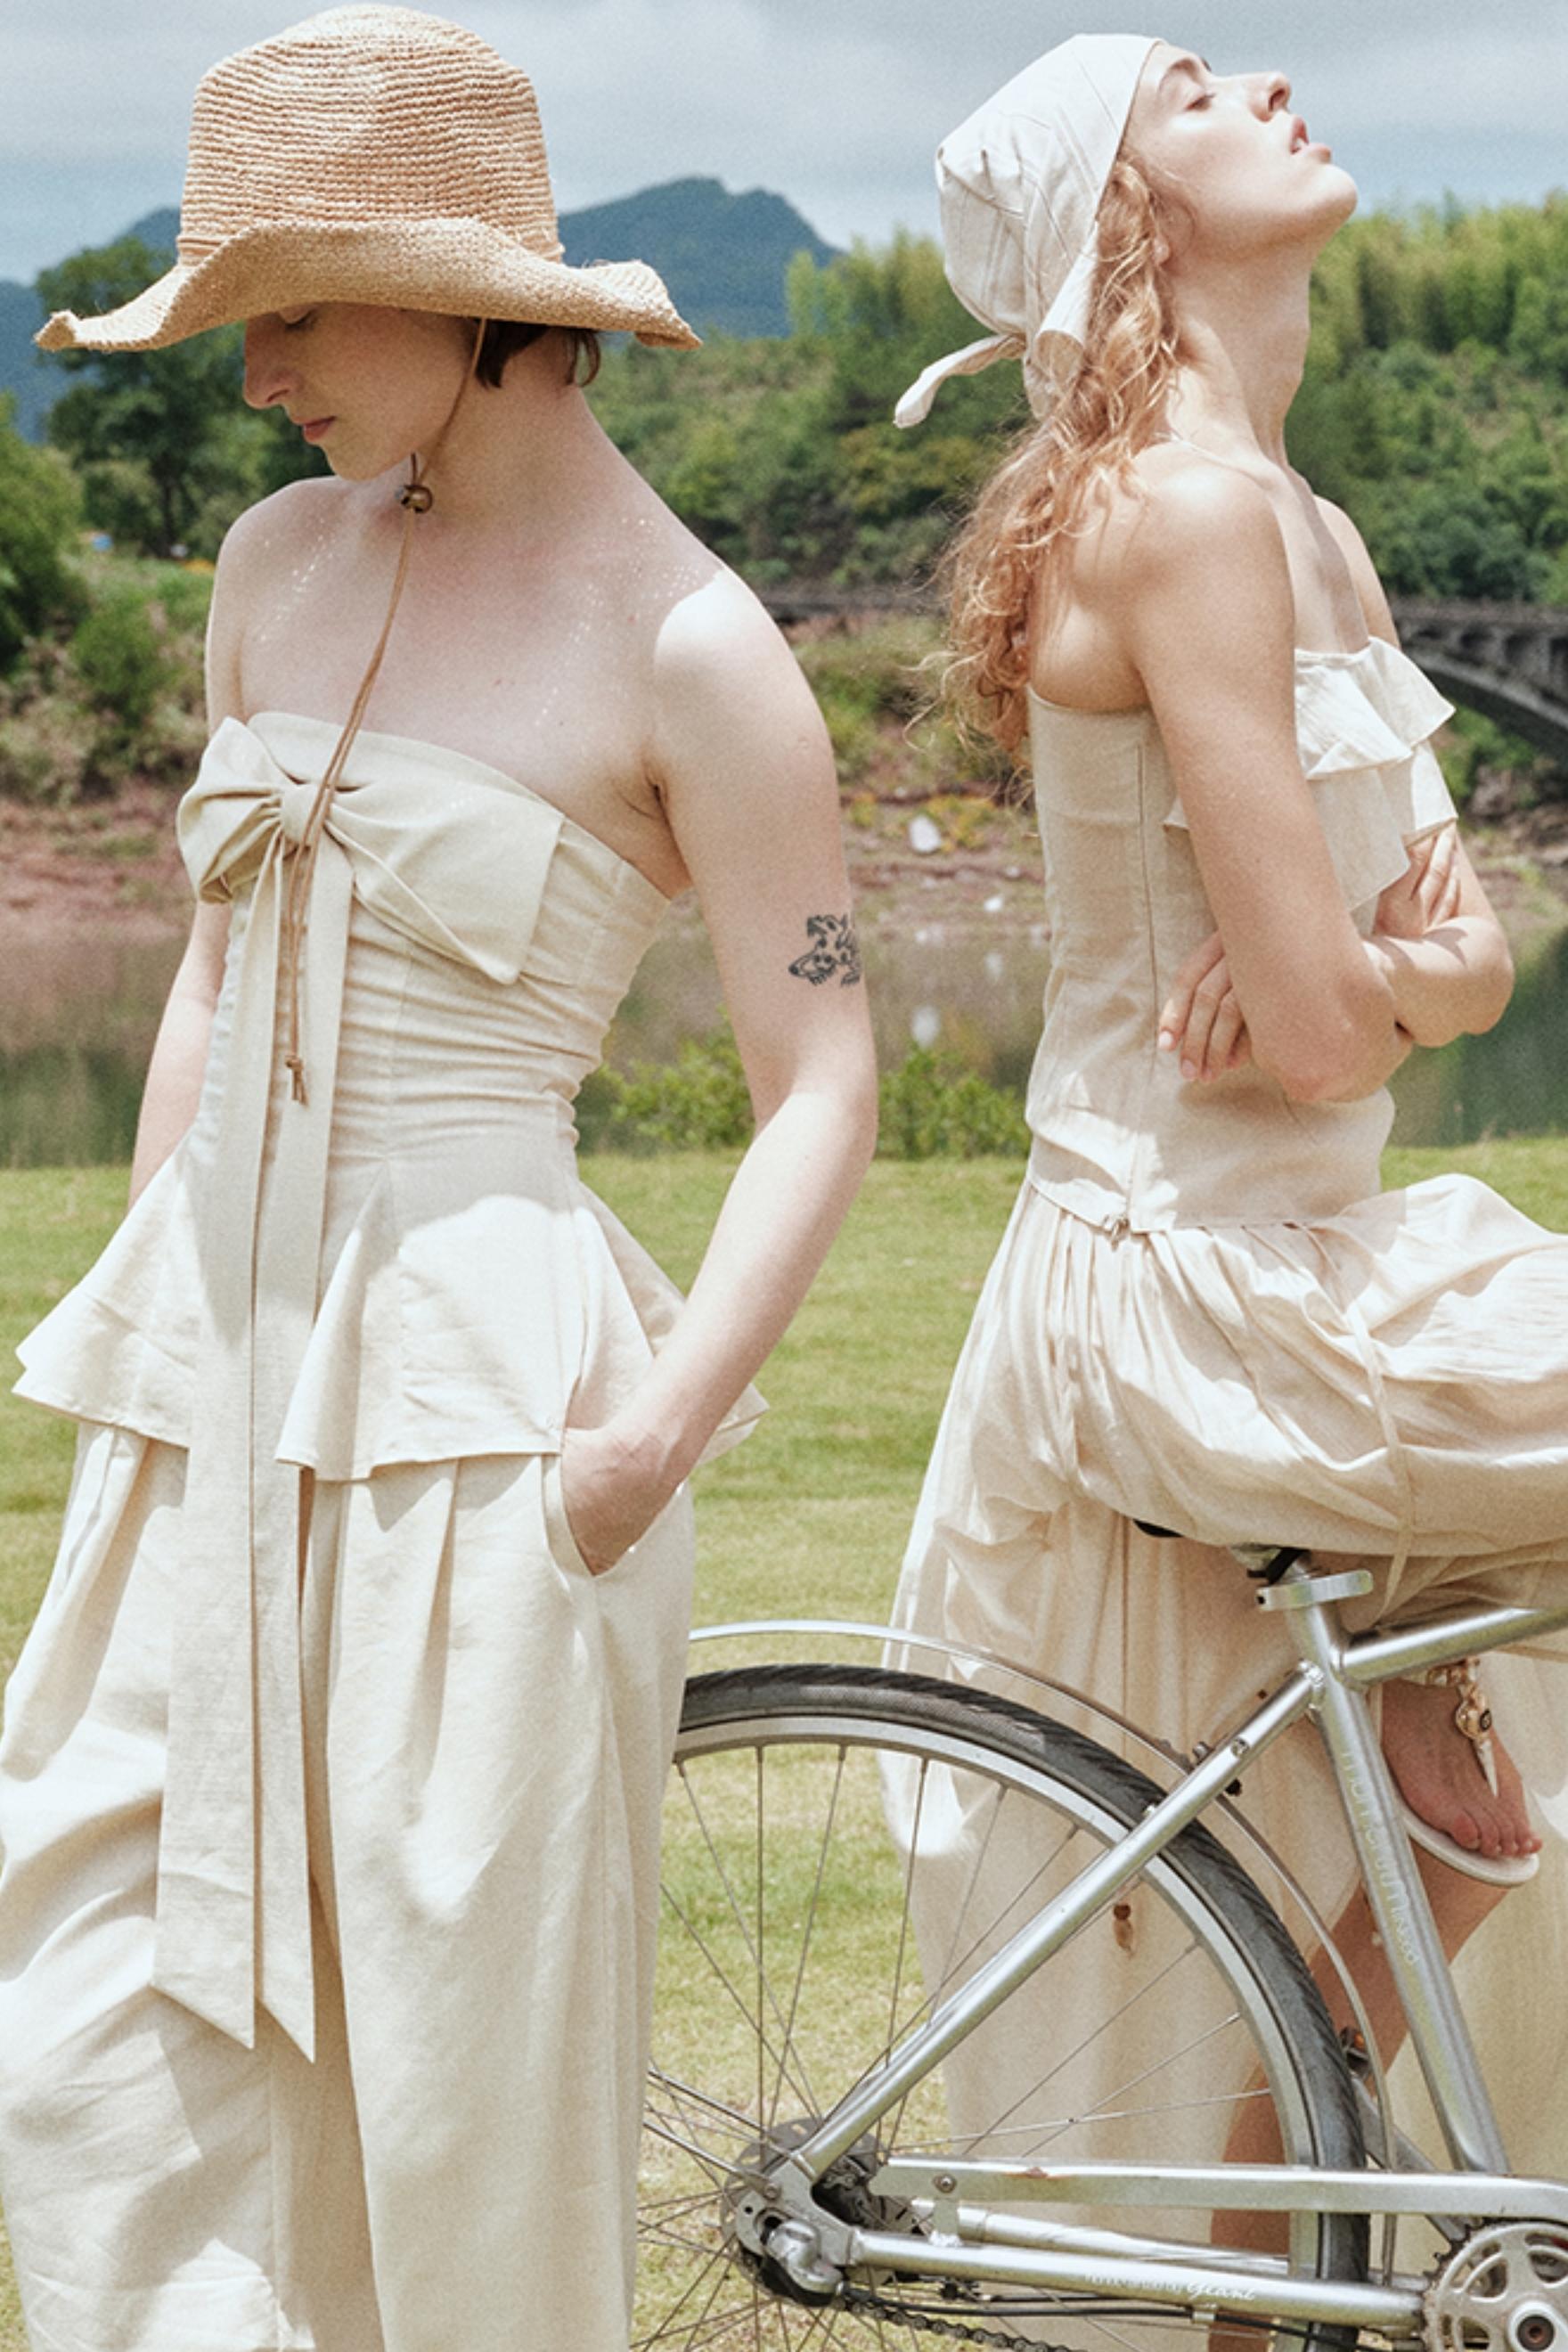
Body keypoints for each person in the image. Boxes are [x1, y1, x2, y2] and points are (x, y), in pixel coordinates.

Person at [0, 9, 877, 2348]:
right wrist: (145, 1304)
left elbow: (823, 1080)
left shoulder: (694, 647)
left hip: (489, 1415)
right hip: (206, 1381)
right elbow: (213, 975)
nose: (258, 371)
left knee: (460, 2080)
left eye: (290, 308)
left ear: (465, 305)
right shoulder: (269, 561)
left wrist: (643, 1448)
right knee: (86, 2032)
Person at [888, 31, 1568, 2198]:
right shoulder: (1183, 519)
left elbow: (1454, 965)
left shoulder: (1305, 521)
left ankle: (1296, 2228)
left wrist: (1386, 982)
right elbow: (1340, 1025)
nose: (1265, 78)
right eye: (1189, 89)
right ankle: (1288, 2215)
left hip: (1308, 1263)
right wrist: (1374, 987)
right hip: (1186, 1284)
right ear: (1129, 215)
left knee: (1448, 1813)